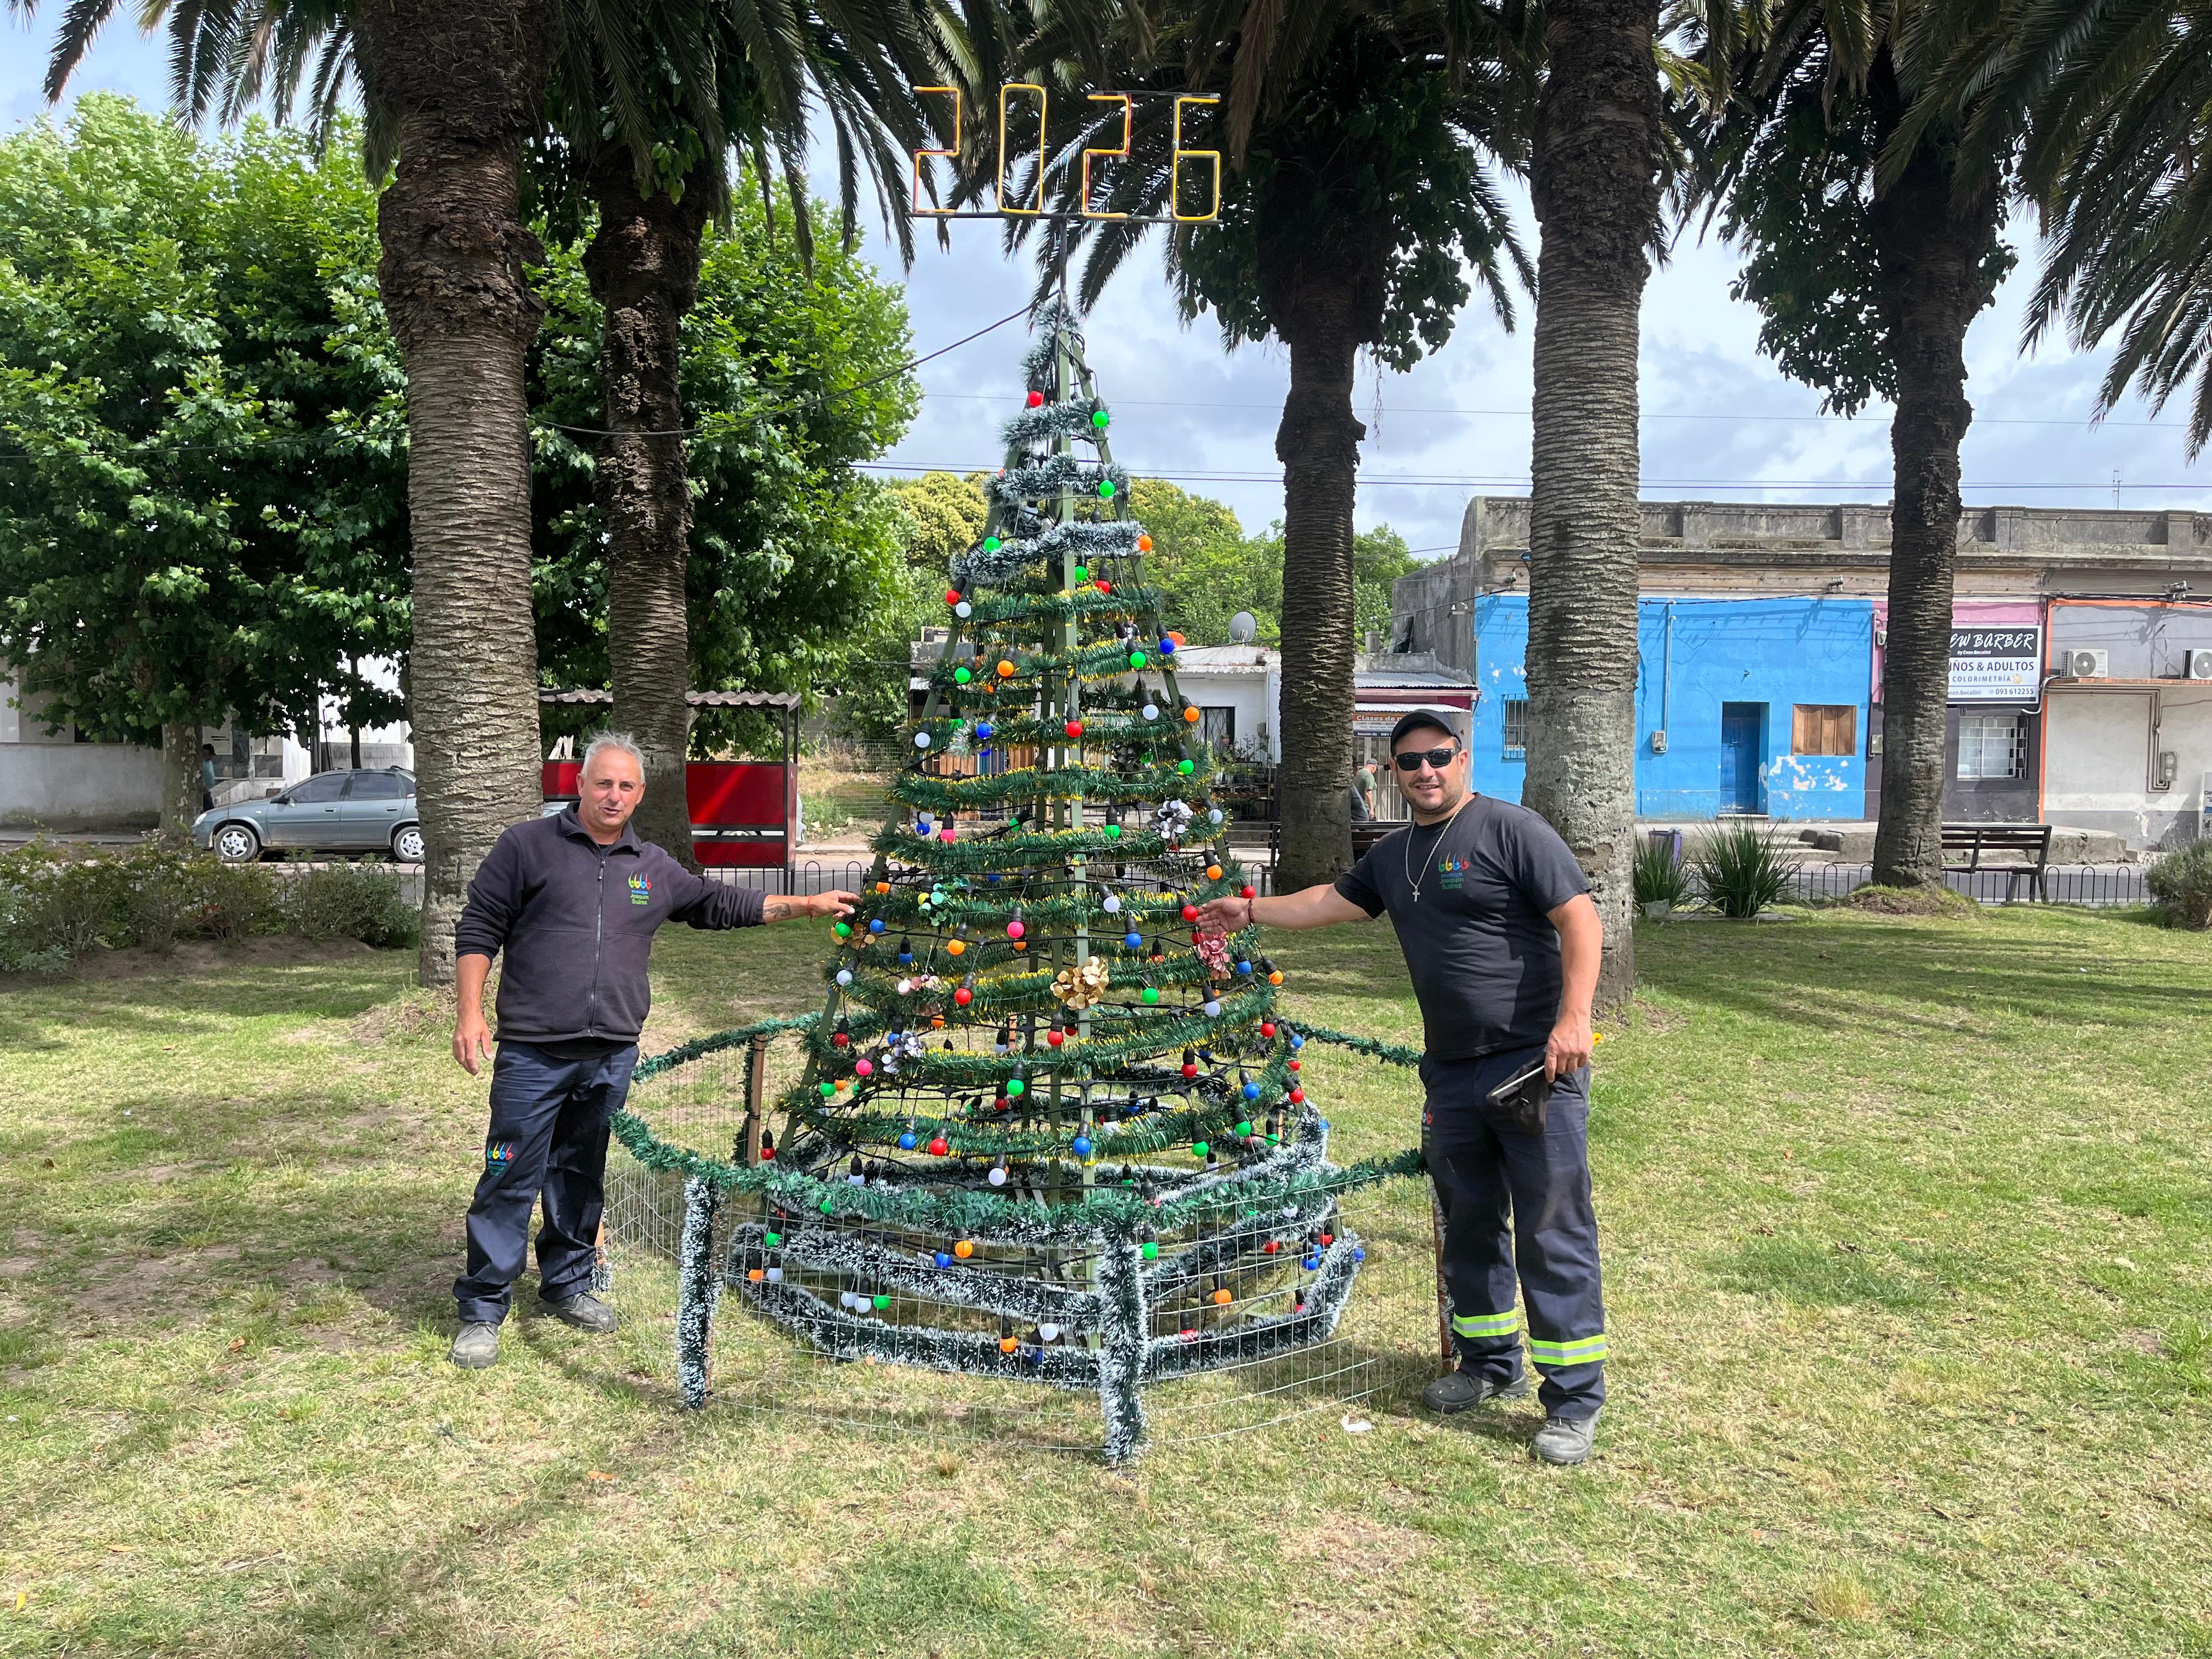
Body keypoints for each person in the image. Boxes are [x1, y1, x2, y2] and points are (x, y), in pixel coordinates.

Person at [1198, 712, 1607, 1465]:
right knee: (1470, 1223)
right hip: (1450, 1071)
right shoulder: (1394, 855)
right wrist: (1247, 910)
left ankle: (1573, 1401)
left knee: (1554, 1232)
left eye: (1438, 757)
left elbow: (1579, 918)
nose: (1425, 771)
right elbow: (1328, 901)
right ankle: (1489, 1364)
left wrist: (1575, 1019)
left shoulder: (1513, 831)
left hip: (1532, 1067)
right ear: (1392, 772)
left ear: (1463, 757)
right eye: (1410, 762)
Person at [445, 731, 855, 1369]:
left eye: (626, 786)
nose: (613, 795)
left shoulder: (653, 866)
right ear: (578, 784)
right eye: (602, 782)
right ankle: (482, 1307)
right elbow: (478, 928)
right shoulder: (526, 847)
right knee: (508, 1171)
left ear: (640, 795)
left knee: (581, 1173)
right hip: (532, 1053)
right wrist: (469, 1012)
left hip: (610, 1054)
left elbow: (721, 902)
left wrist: (806, 904)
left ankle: (568, 1284)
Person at [200, 742, 218, 813]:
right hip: (204, 793)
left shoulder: (209, 763)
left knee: (211, 812)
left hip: (208, 792)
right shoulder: (201, 763)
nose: (212, 757)